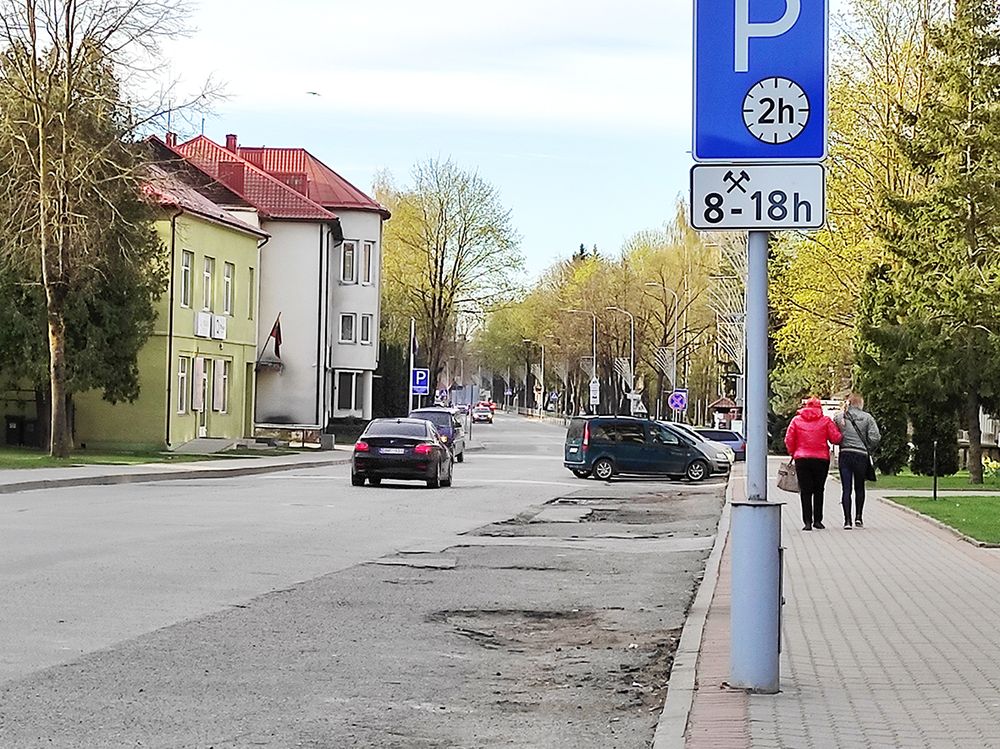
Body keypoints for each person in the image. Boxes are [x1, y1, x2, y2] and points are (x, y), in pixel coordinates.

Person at [784, 396, 843, 531]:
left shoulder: (796, 421)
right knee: (819, 489)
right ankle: (818, 520)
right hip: (821, 459)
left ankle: (807, 522)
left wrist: (793, 452)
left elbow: (789, 439)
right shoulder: (825, 421)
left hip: (802, 459)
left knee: (805, 490)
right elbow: (835, 438)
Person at [833, 392, 881, 529]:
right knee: (859, 487)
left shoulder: (839, 417)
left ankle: (847, 521)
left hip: (845, 454)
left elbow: (834, 435)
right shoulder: (867, 417)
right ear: (860, 403)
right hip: (861, 455)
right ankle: (858, 517)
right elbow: (875, 437)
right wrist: (867, 445)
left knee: (846, 489)